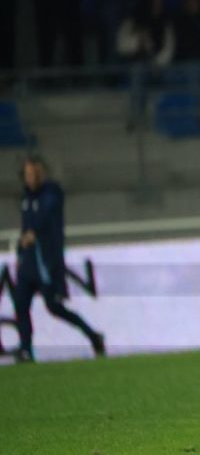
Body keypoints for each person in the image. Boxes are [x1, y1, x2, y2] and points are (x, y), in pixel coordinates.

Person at [12, 155, 104, 363]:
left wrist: (34, 233)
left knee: (54, 308)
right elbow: (25, 228)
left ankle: (93, 336)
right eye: (26, 174)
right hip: (28, 263)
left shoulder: (52, 192)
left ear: (41, 173)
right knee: (20, 304)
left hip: (46, 263)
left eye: (33, 173)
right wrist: (20, 252)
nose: (30, 178)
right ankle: (26, 350)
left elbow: (45, 216)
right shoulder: (26, 199)